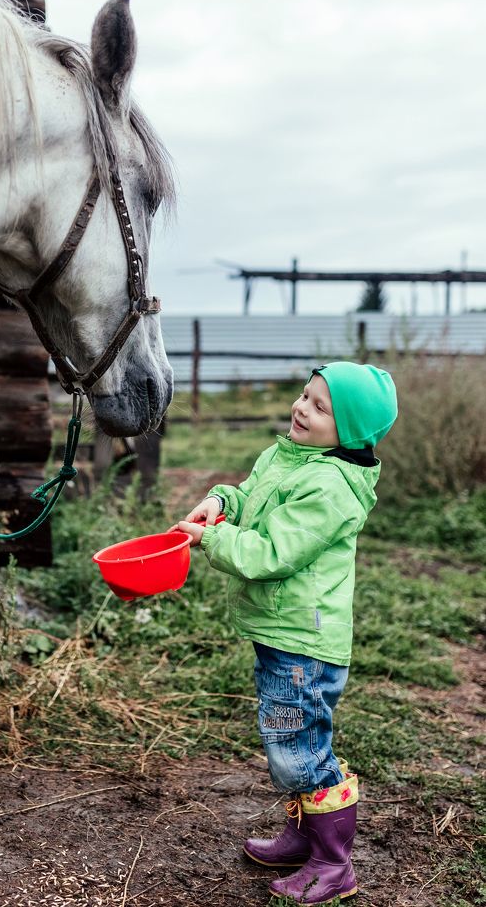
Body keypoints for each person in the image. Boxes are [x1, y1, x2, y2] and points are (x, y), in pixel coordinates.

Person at [173, 362, 398, 905]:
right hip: (281, 635)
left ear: (350, 433)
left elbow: (273, 553)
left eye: (321, 408)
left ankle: (333, 865)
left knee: (298, 750)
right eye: (304, 396)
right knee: (290, 740)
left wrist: (210, 543)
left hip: (303, 643)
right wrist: (222, 502)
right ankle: (304, 838)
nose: (301, 408)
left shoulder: (331, 488)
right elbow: (251, 496)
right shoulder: (286, 457)